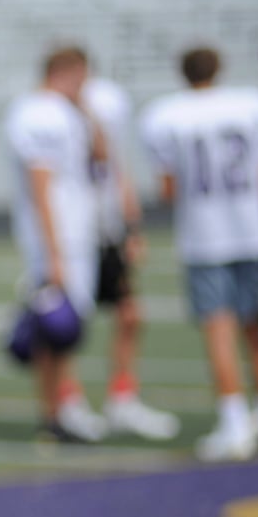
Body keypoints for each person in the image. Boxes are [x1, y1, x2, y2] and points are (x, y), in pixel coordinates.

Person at [140, 46, 258, 461]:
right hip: (252, 232)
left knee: (219, 332)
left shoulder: (167, 116)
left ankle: (235, 426)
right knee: (257, 329)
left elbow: (169, 189)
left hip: (206, 237)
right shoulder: (252, 107)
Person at [5, 45, 107, 443]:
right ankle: (54, 413)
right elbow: (41, 188)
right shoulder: (39, 113)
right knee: (56, 327)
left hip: (74, 235)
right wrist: (54, 252)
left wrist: (85, 108)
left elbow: (101, 153)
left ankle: (64, 408)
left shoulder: (66, 111)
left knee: (68, 327)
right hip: (59, 239)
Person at [81, 71, 182, 440]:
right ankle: (67, 402)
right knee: (66, 324)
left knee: (130, 315)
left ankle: (122, 398)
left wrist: (133, 228)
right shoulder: (59, 123)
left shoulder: (105, 117)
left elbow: (117, 171)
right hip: (74, 235)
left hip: (107, 233)